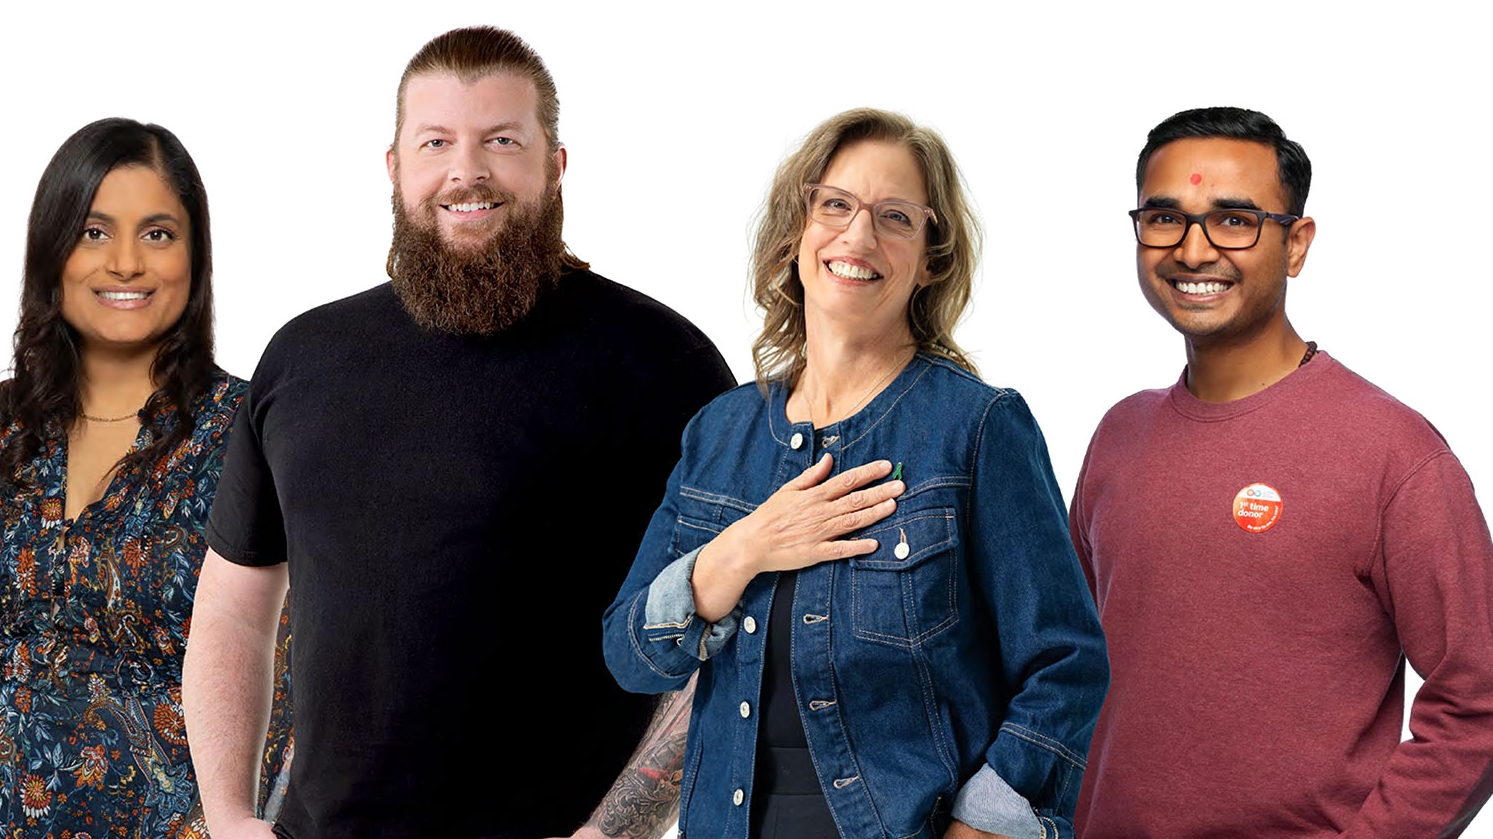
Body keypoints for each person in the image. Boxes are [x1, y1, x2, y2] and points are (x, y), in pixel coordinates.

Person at [182, 26, 736, 839]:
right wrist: (229, 816)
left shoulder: (661, 362)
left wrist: (613, 834)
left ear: (555, 164)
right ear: (395, 167)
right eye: (436, 141)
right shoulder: (303, 357)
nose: (465, 171)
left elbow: (741, 625)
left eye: (501, 141)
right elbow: (233, 608)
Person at [601, 108, 1110, 839]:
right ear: (796, 233)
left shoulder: (976, 428)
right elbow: (630, 654)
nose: (858, 236)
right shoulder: (721, 433)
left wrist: (985, 828)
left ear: (932, 256)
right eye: (835, 205)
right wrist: (741, 550)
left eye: (895, 216)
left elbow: (1066, 664)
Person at [0, 118, 288, 838]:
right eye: (95, 232)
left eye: (159, 234)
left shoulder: (250, 430)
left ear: (196, 257)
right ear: (53, 254)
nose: (128, 263)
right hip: (4, 815)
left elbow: (320, 631)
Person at [1071, 106, 1493, 838]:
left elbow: (1480, 698)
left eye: (1235, 221)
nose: (1193, 250)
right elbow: (1066, 668)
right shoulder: (1119, 435)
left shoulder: (1392, 451)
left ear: (1296, 244)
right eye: (1165, 218)